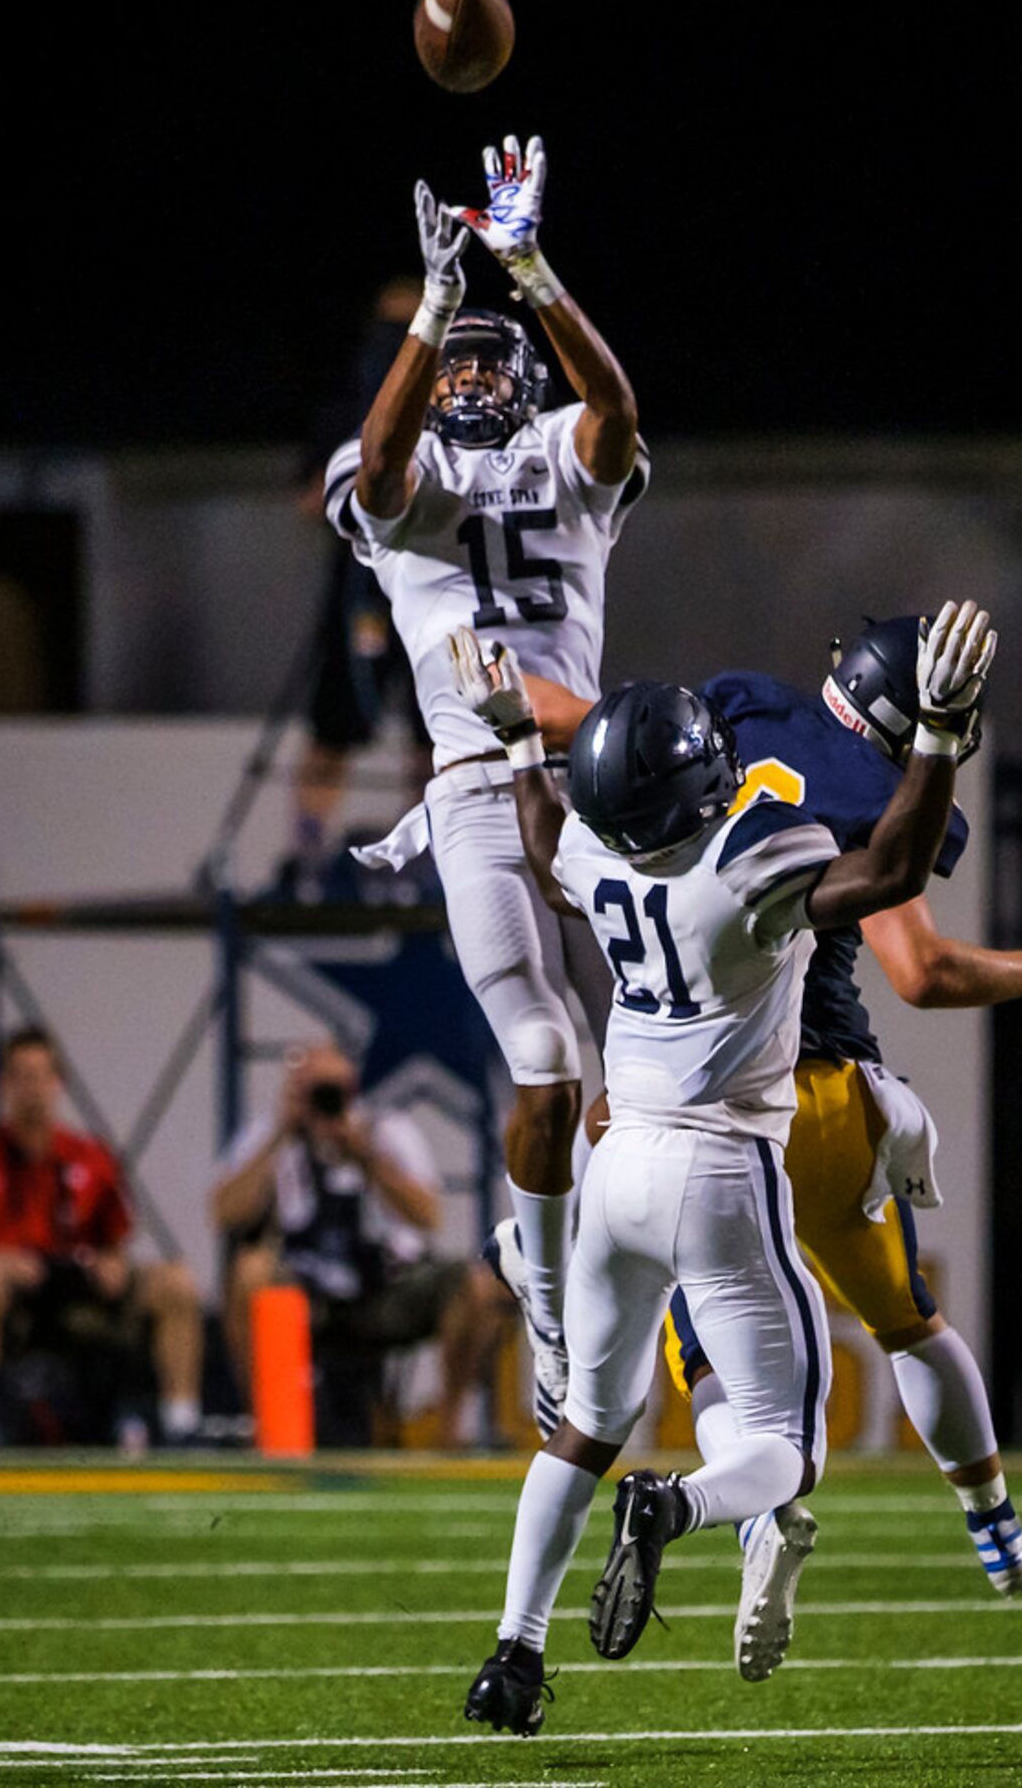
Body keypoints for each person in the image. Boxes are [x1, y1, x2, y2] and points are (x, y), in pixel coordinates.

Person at [511, 619, 1022, 1670]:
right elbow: (919, 967)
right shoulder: (860, 804)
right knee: (904, 1321)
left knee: (689, 1348)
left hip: (647, 1112)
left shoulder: (738, 708)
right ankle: (992, 1530)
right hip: (812, 1099)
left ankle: (732, 1519)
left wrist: (494, 710)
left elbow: (574, 743)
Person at [448, 596, 997, 1735]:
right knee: (783, 1450)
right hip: (718, 1177)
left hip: (616, 1175)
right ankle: (678, 1506)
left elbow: (544, 847)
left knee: (583, 1427)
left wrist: (513, 740)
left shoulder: (596, 849)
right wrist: (936, 736)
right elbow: (891, 869)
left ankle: (512, 1652)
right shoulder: (757, 860)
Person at [322, 135, 649, 1435]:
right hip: (471, 784)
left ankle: (572, 1266)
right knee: (544, 1054)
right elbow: (385, 466)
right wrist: (439, 307)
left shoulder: (566, 446)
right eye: (448, 361)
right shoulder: (402, 479)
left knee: (640, 1077)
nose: (461, 376)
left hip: (596, 789)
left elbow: (616, 413)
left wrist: (532, 270)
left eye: (477, 359)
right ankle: (552, 1310)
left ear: (518, 385)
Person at [210, 1041, 507, 1448]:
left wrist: (364, 1155)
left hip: (386, 1287)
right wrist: (282, 1133)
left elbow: (428, 1216)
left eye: (332, 1091)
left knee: (476, 1285)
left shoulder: (386, 1131)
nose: (324, 1103)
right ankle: (267, 1424)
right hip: (304, 1290)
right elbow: (224, 1214)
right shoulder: (272, 1135)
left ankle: (449, 1433)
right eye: (314, 1091)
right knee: (250, 1271)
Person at [0, 1025, 203, 1446]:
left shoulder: (90, 1154)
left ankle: (182, 1423)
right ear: (4, 1084)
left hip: (78, 1280)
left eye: (41, 1076)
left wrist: (113, 1264)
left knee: (177, 1282)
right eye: (21, 1076)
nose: (32, 1088)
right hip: (12, 1292)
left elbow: (115, 1242)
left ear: (58, 1083)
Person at [287, 276, 434, 896]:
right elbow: (308, 501)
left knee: (436, 737)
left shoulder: (449, 407)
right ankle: (312, 855)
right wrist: (363, 459)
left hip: (430, 592)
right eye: (386, 332)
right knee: (333, 728)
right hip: (359, 596)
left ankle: (432, 861)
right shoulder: (346, 412)